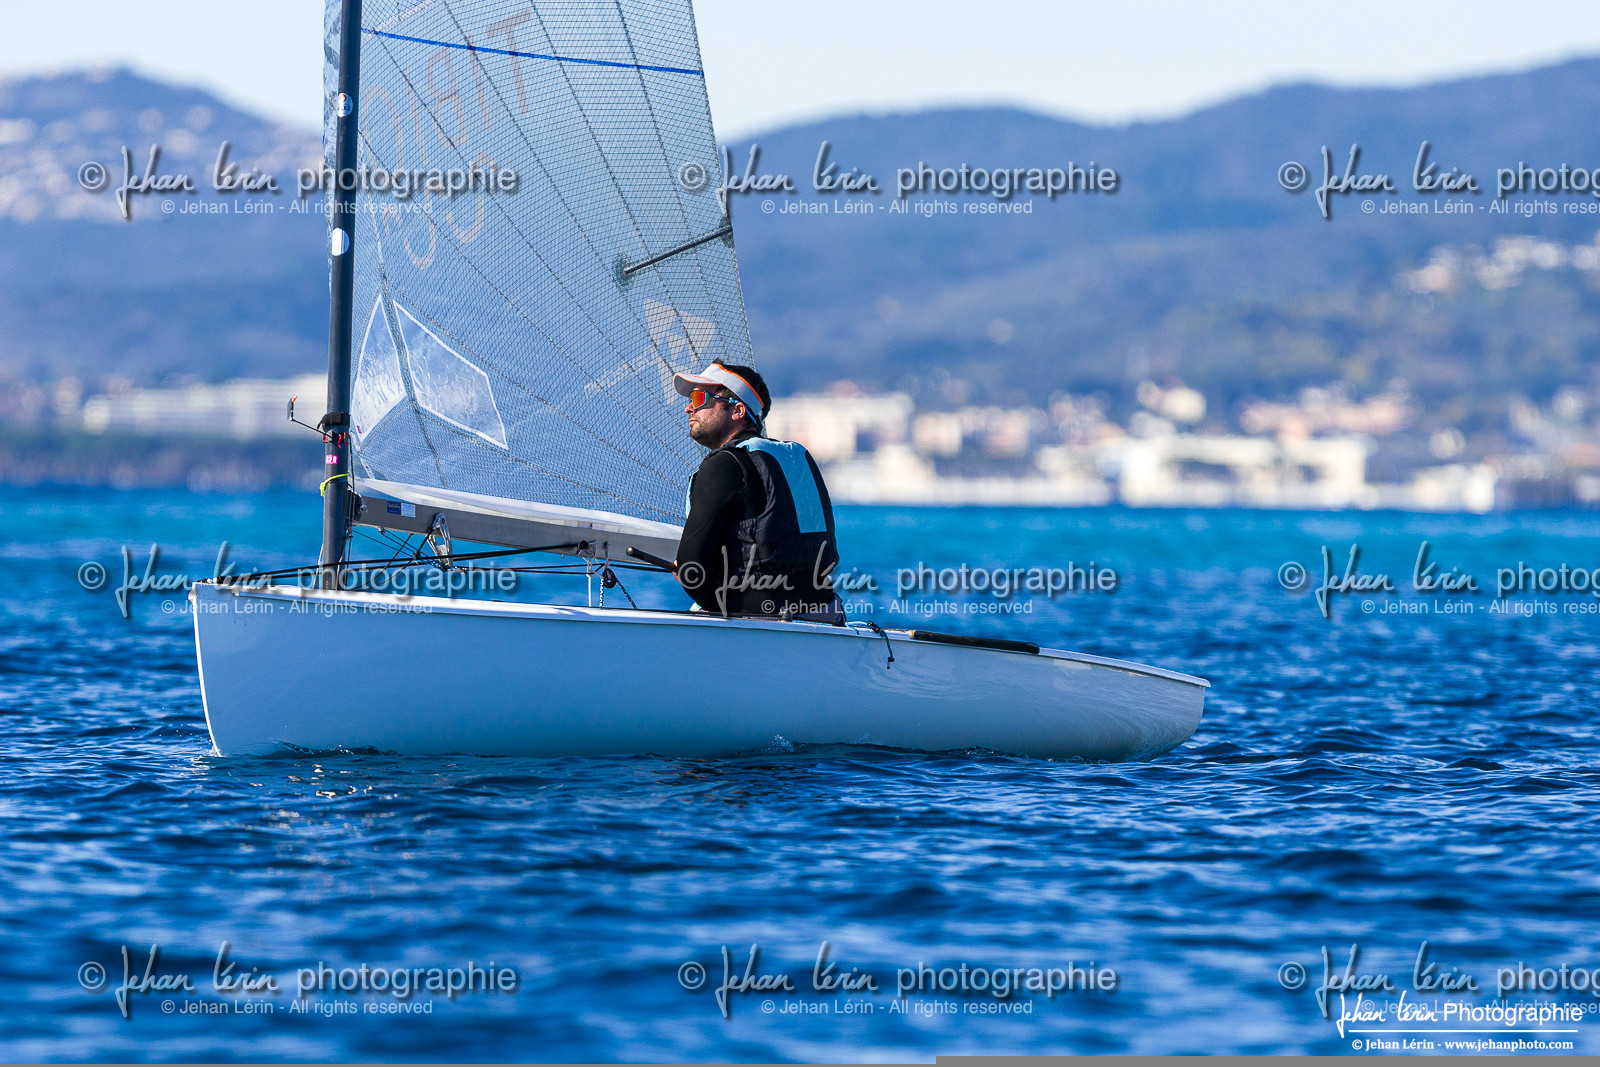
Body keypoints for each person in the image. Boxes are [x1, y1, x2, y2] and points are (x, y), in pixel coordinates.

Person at [670, 361, 843, 621]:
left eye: (700, 397)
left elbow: (690, 569)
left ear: (738, 410)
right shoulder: (799, 457)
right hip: (826, 611)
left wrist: (697, 585)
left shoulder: (723, 464)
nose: (689, 407)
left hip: (760, 620)